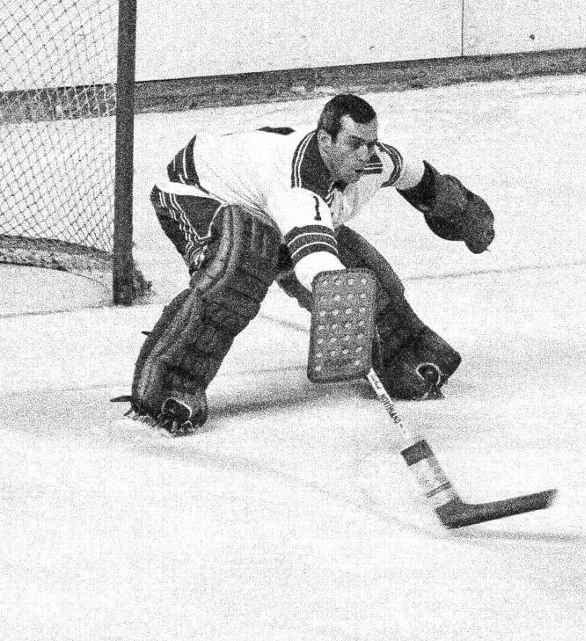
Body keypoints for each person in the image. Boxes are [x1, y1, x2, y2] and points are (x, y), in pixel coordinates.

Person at [115, 94, 495, 435]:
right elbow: (315, 257)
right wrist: (338, 296)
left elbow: (424, 181)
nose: (365, 155)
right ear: (325, 140)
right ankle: (165, 385)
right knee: (241, 266)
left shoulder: (375, 162)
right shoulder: (299, 185)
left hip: (266, 208)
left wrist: (464, 215)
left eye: (371, 143)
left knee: (358, 267)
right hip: (197, 194)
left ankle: (403, 356)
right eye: (354, 144)